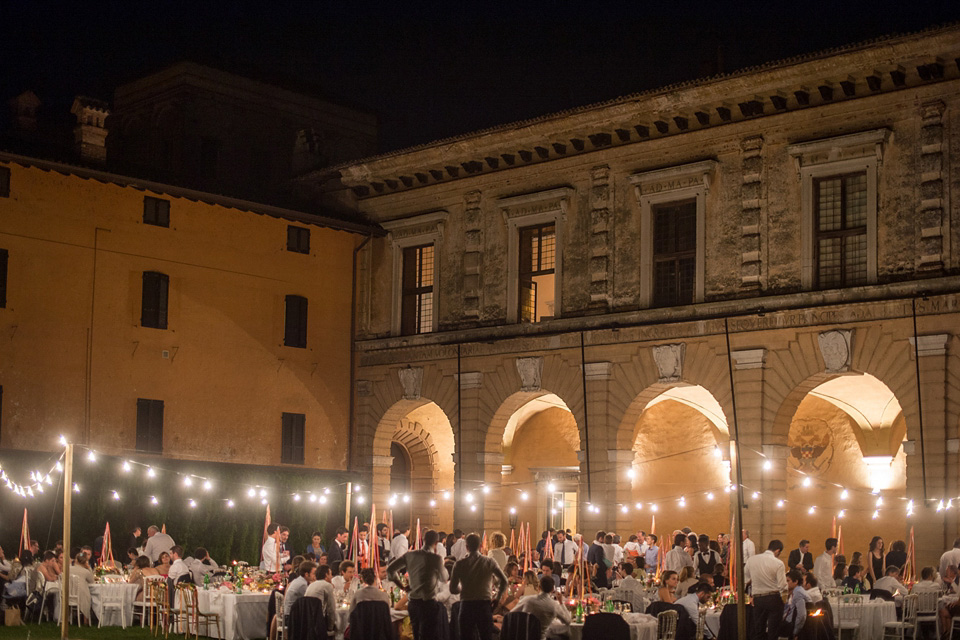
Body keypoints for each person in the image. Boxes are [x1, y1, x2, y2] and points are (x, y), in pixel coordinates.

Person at [388, 529, 448, 640]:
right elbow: (444, 578)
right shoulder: (436, 558)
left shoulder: (410, 555)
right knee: (429, 635)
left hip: (413, 603)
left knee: (416, 633)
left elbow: (390, 569)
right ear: (436, 543)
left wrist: (401, 585)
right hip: (429, 603)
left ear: (423, 540)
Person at [450, 532, 509, 640]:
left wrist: (462, 588)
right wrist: (497, 598)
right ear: (481, 546)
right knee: (486, 636)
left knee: (465, 636)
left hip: (466, 605)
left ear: (466, 547)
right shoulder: (489, 562)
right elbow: (504, 581)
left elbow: (453, 589)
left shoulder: (459, 564)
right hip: (484, 605)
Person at [744, 539, 787, 640]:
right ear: (777, 550)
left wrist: (750, 594)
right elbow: (782, 585)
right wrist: (785, 600)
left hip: (758, 599)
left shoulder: (752, 560)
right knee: (773, 631)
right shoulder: (778, 563)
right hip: (773, 598)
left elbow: (745, 579)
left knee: (758, 630)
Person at [514, 575, 572, 639]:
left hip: (523, 637)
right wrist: (561, 602)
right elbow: (568, 620)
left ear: (539, 587)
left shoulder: (527, 600)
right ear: (553, 589)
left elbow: (513, 613)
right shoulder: (554, 605)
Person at [304, 564, 338, 637]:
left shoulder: (311, 585)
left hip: (307, 621)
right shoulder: (327, 585)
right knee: (338, 628)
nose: (332, 577)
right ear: (326, 575)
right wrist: (330, 627)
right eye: (331, 574)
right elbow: (331, 609)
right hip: (318, 623)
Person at [780, 569, 811, 640]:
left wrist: (795, 632)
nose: (785, 583)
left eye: (787, 581)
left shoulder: (798, 593)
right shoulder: (795, 591)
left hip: (791, 627)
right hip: (790, 624)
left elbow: (802, 615)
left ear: (796, 581)